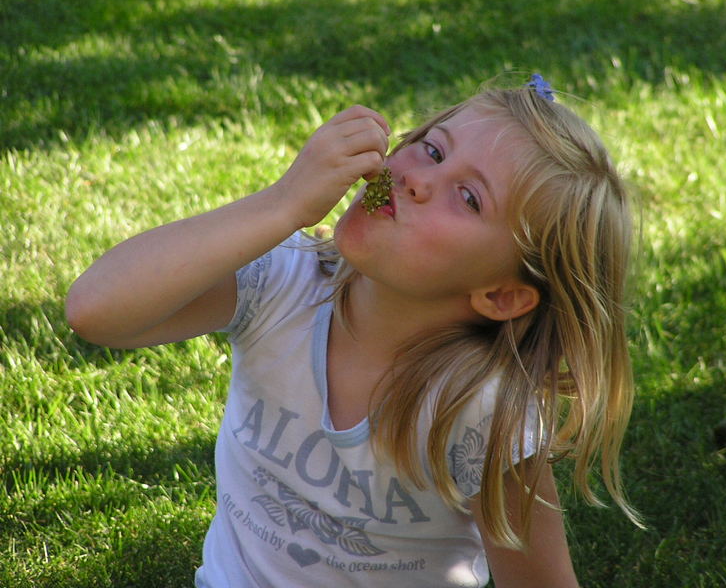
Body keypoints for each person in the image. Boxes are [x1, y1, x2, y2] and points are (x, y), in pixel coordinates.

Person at [66, 74, 641, 587]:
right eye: (433, 150)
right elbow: (96, 310)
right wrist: (284, 203)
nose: (419, 180)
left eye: (468, 198)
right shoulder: (283, 283)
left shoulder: (484, 411)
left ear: (501, 295)